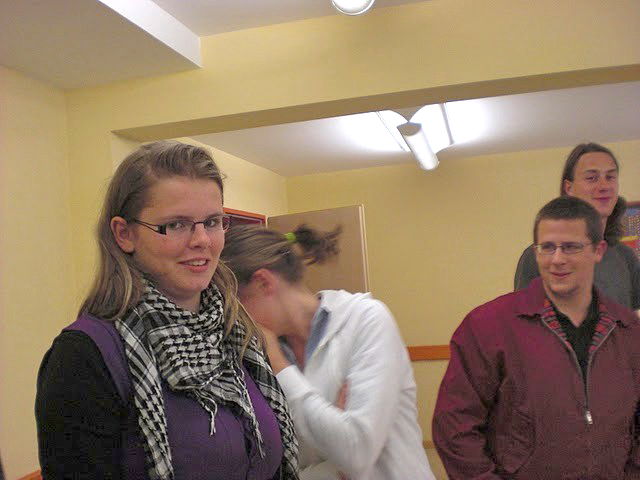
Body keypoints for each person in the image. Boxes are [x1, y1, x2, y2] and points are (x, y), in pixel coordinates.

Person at [35, 141, 298, 480]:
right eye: (176, 225)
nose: (202, 240)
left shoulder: (237, 333)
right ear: (124, 234)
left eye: (212, 221)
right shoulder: (84, 356)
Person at [434, 196, 640, 479]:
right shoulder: (487, 327)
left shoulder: (629, 332)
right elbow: (454, 426)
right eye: (547, 247)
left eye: (570, 247)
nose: (557, 259)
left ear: (598, 250)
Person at [221, 225, 435, 480]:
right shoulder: (256, 353)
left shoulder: (366, 320)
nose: (235, 321)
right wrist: (334, 459)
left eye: (235, 307)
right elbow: (275, 462)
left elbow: (356, 452)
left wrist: (280, 367)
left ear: (263, 282)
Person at [515, 142, 640, 311]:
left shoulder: (625, 257)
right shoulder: (538, 256)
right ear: (569, 188)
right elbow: (523, 320)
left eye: (610, 177)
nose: (604, 186)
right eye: (592, 178)